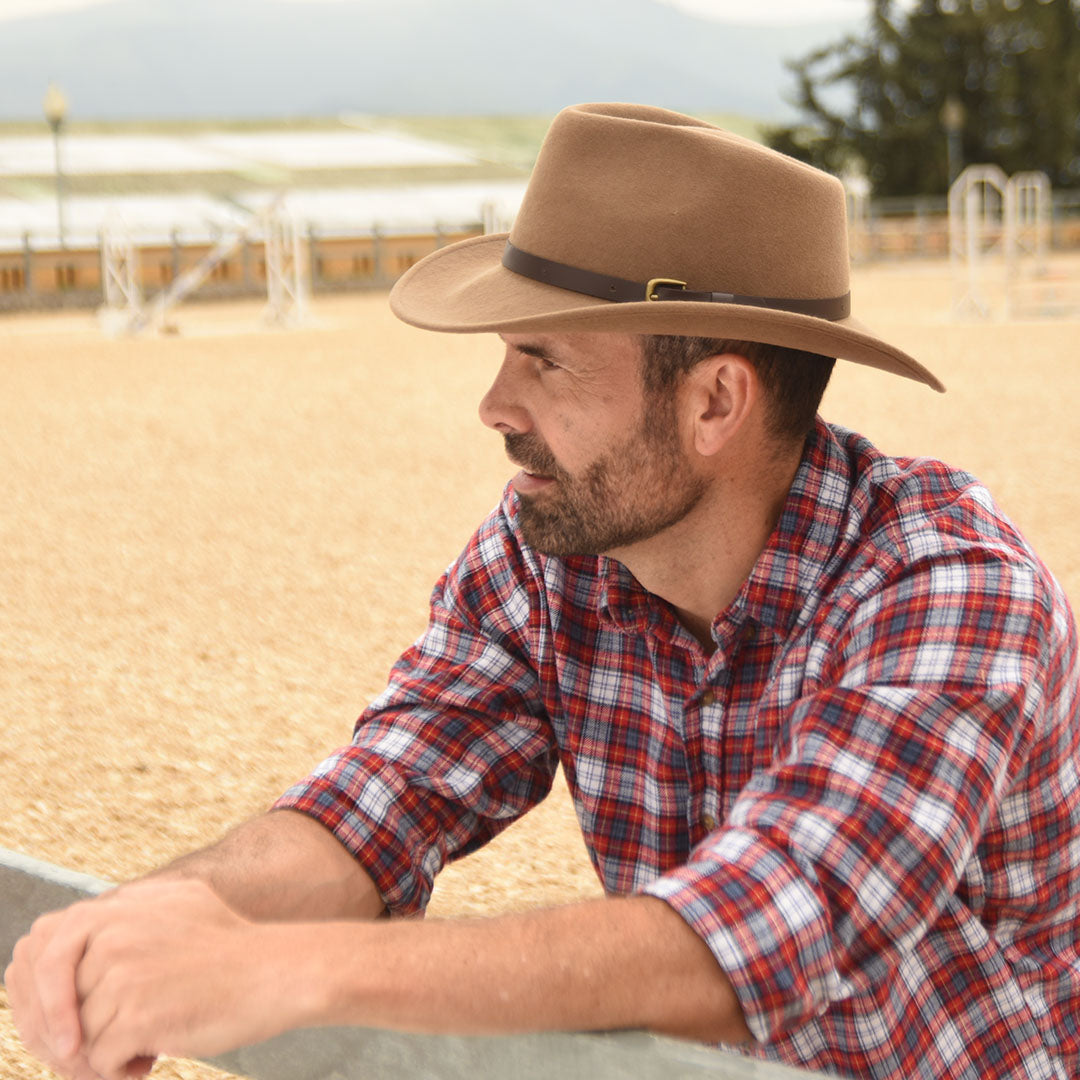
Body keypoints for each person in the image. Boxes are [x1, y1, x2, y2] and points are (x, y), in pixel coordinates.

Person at [6, 103, 1080, 1080]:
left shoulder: (949, 588)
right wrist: (136, 925)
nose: (493, 404)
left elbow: (759, 933)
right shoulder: (544, 558)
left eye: (545, 360)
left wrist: (284, 972)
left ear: (715, 402)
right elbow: (371, 812)